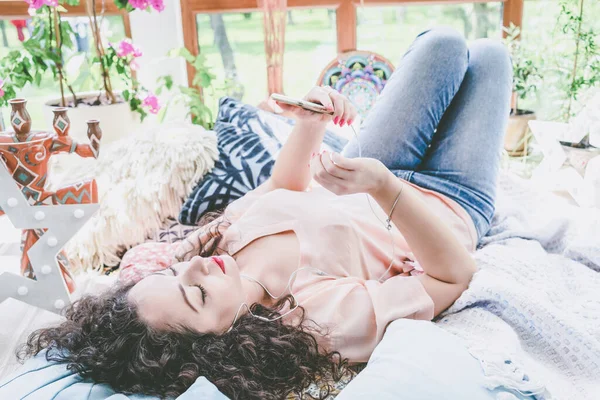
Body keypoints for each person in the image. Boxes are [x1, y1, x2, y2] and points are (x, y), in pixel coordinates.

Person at [18, 28, 512, 400]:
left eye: (176, 272)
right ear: (222, 341)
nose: (194, 266)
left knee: (441, 44)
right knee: (491, 56)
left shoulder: (220, 246)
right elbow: (453, 278)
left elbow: (282, 186)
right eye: (195, 294)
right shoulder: (311, 318)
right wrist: (383, 187)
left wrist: (311, 123)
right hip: (448, 201)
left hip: (370, 160)